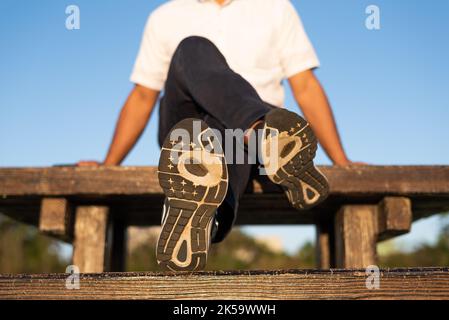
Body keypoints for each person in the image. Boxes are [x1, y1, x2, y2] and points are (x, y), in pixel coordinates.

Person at [79, 0, 358, 271]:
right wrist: (109, 163)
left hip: (247, 137)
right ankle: (258, 135)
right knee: (193, 47)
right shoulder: (165, 16)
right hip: (187, 132)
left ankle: (209, 217)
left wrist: (342, 161)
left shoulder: (275, 8)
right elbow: (142, 96)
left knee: (224, 135)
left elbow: (306, 86)